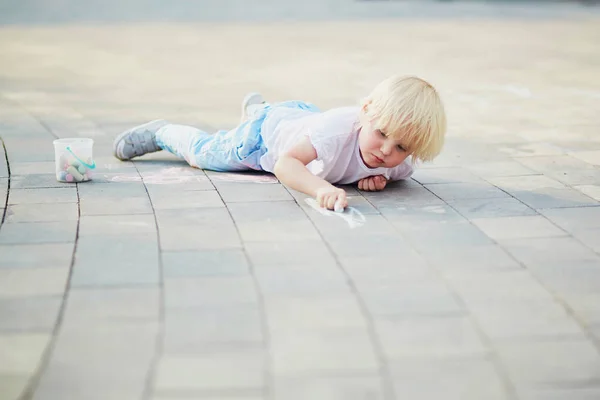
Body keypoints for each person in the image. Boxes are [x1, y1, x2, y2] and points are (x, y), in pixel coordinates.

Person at [113, 75, 446, 210]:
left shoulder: (399, 167)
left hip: (297, 119)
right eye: (382, 134)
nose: (387, 151)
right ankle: (162, 132)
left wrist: (376, 178)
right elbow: (286, 163)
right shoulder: (336, 132)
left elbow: (382, 164)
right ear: (366, 112)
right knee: (204, 155)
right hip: (261, 140)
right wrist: (319, 189)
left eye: (402, 147)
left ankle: (258, 109)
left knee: (293, 125)